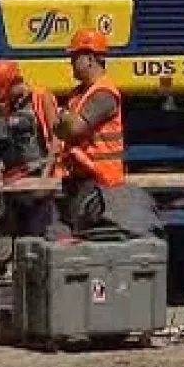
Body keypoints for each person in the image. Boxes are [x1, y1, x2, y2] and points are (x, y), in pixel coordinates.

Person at [53, 28, 126, 230]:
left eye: (75, 57)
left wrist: (64, 117)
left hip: (102, 185)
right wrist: (65, 121)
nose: (71, 63)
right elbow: (59, 130)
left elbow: (74, 128)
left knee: (96, 239)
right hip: (80, 181)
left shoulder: (104, 93)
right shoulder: (78, 93)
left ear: (90, 58)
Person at [0, 59, 67, 239]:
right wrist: (1, 165)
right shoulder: (11, 105)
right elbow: (13, 142)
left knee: (44, 232)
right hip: (19, 183)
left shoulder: (41, 96)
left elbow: (57, 138)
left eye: (6, 92)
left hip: (40, 179)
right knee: (22, 236)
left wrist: (45, 178)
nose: (5, 98)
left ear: (15, 82)